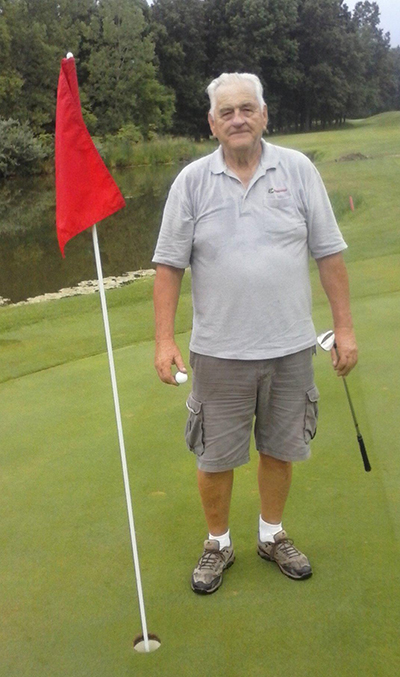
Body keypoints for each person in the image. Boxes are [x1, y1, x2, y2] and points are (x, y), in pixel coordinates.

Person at [152, 72, 358, 595]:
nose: (238, 118)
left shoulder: (298, 169)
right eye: (227, 112)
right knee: (215, 456)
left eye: (248, 108)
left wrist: (345, 328)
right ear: (212, 123)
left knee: (280, 448)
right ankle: (217, 543)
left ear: (264, 115)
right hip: (218, 351)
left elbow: (328, 252)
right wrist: (164, 339)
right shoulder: (192, 182)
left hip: (290, 345)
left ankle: (271, 535)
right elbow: (169, 266)